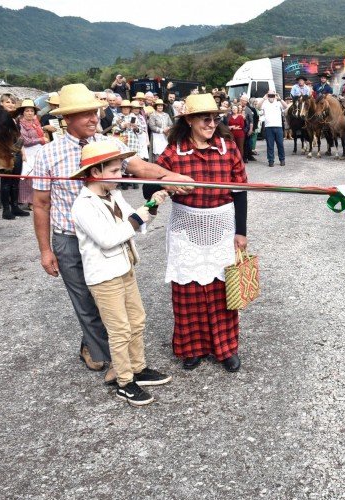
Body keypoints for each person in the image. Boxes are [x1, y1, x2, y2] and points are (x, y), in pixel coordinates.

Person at [32, 83, 193, 381]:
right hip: (68, 237)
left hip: (108, 235)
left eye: (95, 112)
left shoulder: (109, 144)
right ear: (67, 118)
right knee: (84, 299)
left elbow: (142, 168)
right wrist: (45, 250)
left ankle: (122, 361)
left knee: (117, 296)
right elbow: (41, 205)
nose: (94, 118)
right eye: (85, 114)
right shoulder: (47, 154)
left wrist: (172, 176)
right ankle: (108, 357)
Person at [70, 142, 172, 405]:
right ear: (96, 171)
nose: (121, 176)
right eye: (115, 171)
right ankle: (124, 381)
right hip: (105, 277)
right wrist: (138, 217)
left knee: (137, 320)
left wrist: (153, 203)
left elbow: (134, 222)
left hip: (125, 268)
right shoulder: (83, 205)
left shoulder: (113, 195)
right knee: (119, 330)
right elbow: (108, 238)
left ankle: (138, 368)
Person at [154, 93, 247, 372]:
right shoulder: (173, 152)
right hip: (186, 228)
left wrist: (241, 232)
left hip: (221, 227)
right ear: (190, 120)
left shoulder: (228, 148)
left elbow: (240, 192)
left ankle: (225, 348)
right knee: (188, 291)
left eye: (215, 118)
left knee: (222, 291)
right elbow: (149, 185)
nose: (211, 123)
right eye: (205, 118)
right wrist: (167, 184)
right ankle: (190, 348)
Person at [17, 98, 46, 211]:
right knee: (28, 178)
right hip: (27, 152)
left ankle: (37, 200)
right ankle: (29, 202)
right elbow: (25, 141)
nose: (30, 113)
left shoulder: (35, 123)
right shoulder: (21, 124)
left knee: (39, 176)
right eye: (27, 111)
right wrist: (41, 139)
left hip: (38, 152)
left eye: (32, 111)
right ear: (22, 112)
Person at [255, 91, 288, 167]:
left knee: (280, 144)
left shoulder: (278, 102)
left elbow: (286, 106)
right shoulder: (265, 102)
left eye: (272, 95)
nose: (271, 96)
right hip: (268, 127)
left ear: (275, 95)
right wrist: (264, 98)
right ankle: (271, 161)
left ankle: (282, 159)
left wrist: (280, 99)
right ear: (267, 95)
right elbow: (258, 107)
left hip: (278, 127)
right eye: (269, 95)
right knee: (270, 145)